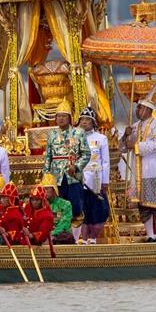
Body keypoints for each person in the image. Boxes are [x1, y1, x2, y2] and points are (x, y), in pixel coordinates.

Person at [122, 98, 156, 242]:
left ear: (148, 110)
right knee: (143, 205)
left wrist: (136, 145)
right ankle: (150, 234)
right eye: (137, 108)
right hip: (139, 173)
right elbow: (123, 148)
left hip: (155, 170)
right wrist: (125, 135)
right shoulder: (135, 126)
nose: (137, 110)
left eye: (140, 108)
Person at [43, 102, 90, 240]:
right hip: (56, 177)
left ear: (70, 118)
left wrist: (76, 166)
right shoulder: (51, 134)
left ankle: (74, 238)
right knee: (58, 207)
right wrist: (46, 175)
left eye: (64, 116)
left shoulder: (79, 132)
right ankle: (60, 235)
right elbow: (48, 156)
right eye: (59, 116)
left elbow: (86, 154)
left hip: (73, 176)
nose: (61, 119)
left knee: (75, 207)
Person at [77, 106, 110, 244]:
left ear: (93, 122)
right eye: (82, 119)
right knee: (82, 211)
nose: (84, 122)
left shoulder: (101, 138)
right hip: (79, 179)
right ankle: (83, 239)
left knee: (97, 210)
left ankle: (93, 238)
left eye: (87, 120)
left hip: (96, 180)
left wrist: (105, 181)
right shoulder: (74, 137)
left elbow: (105, 161)